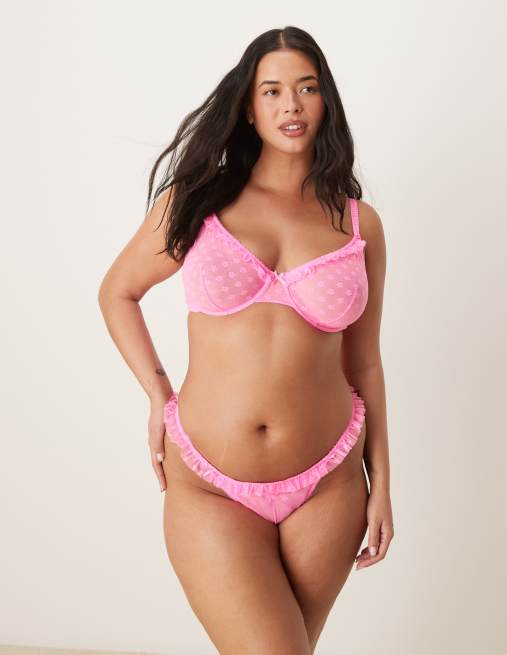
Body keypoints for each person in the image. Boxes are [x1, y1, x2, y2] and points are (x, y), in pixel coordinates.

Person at [98, 25, 394, 655]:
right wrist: (157, 393)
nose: (291, 105)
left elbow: (365, 364)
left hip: (330, 483)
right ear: (249, 107)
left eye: (307, 88)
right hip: (211, 484)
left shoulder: (358, 223)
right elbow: (118, 291)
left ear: (326, 100)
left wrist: (383, 486)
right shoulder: (196, 202)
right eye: (272, 91)